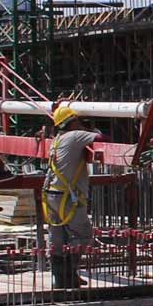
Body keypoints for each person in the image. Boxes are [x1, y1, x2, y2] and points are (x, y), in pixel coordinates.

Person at [42, 103, 99, 291]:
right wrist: (90, 129)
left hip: (51, 195)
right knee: (84, 235)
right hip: (68, 198)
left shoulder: (57, 139)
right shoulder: (75, 136)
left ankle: (61, 280)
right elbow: (101, 138)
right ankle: (69, 273)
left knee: (57, 239)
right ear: (73, 122)